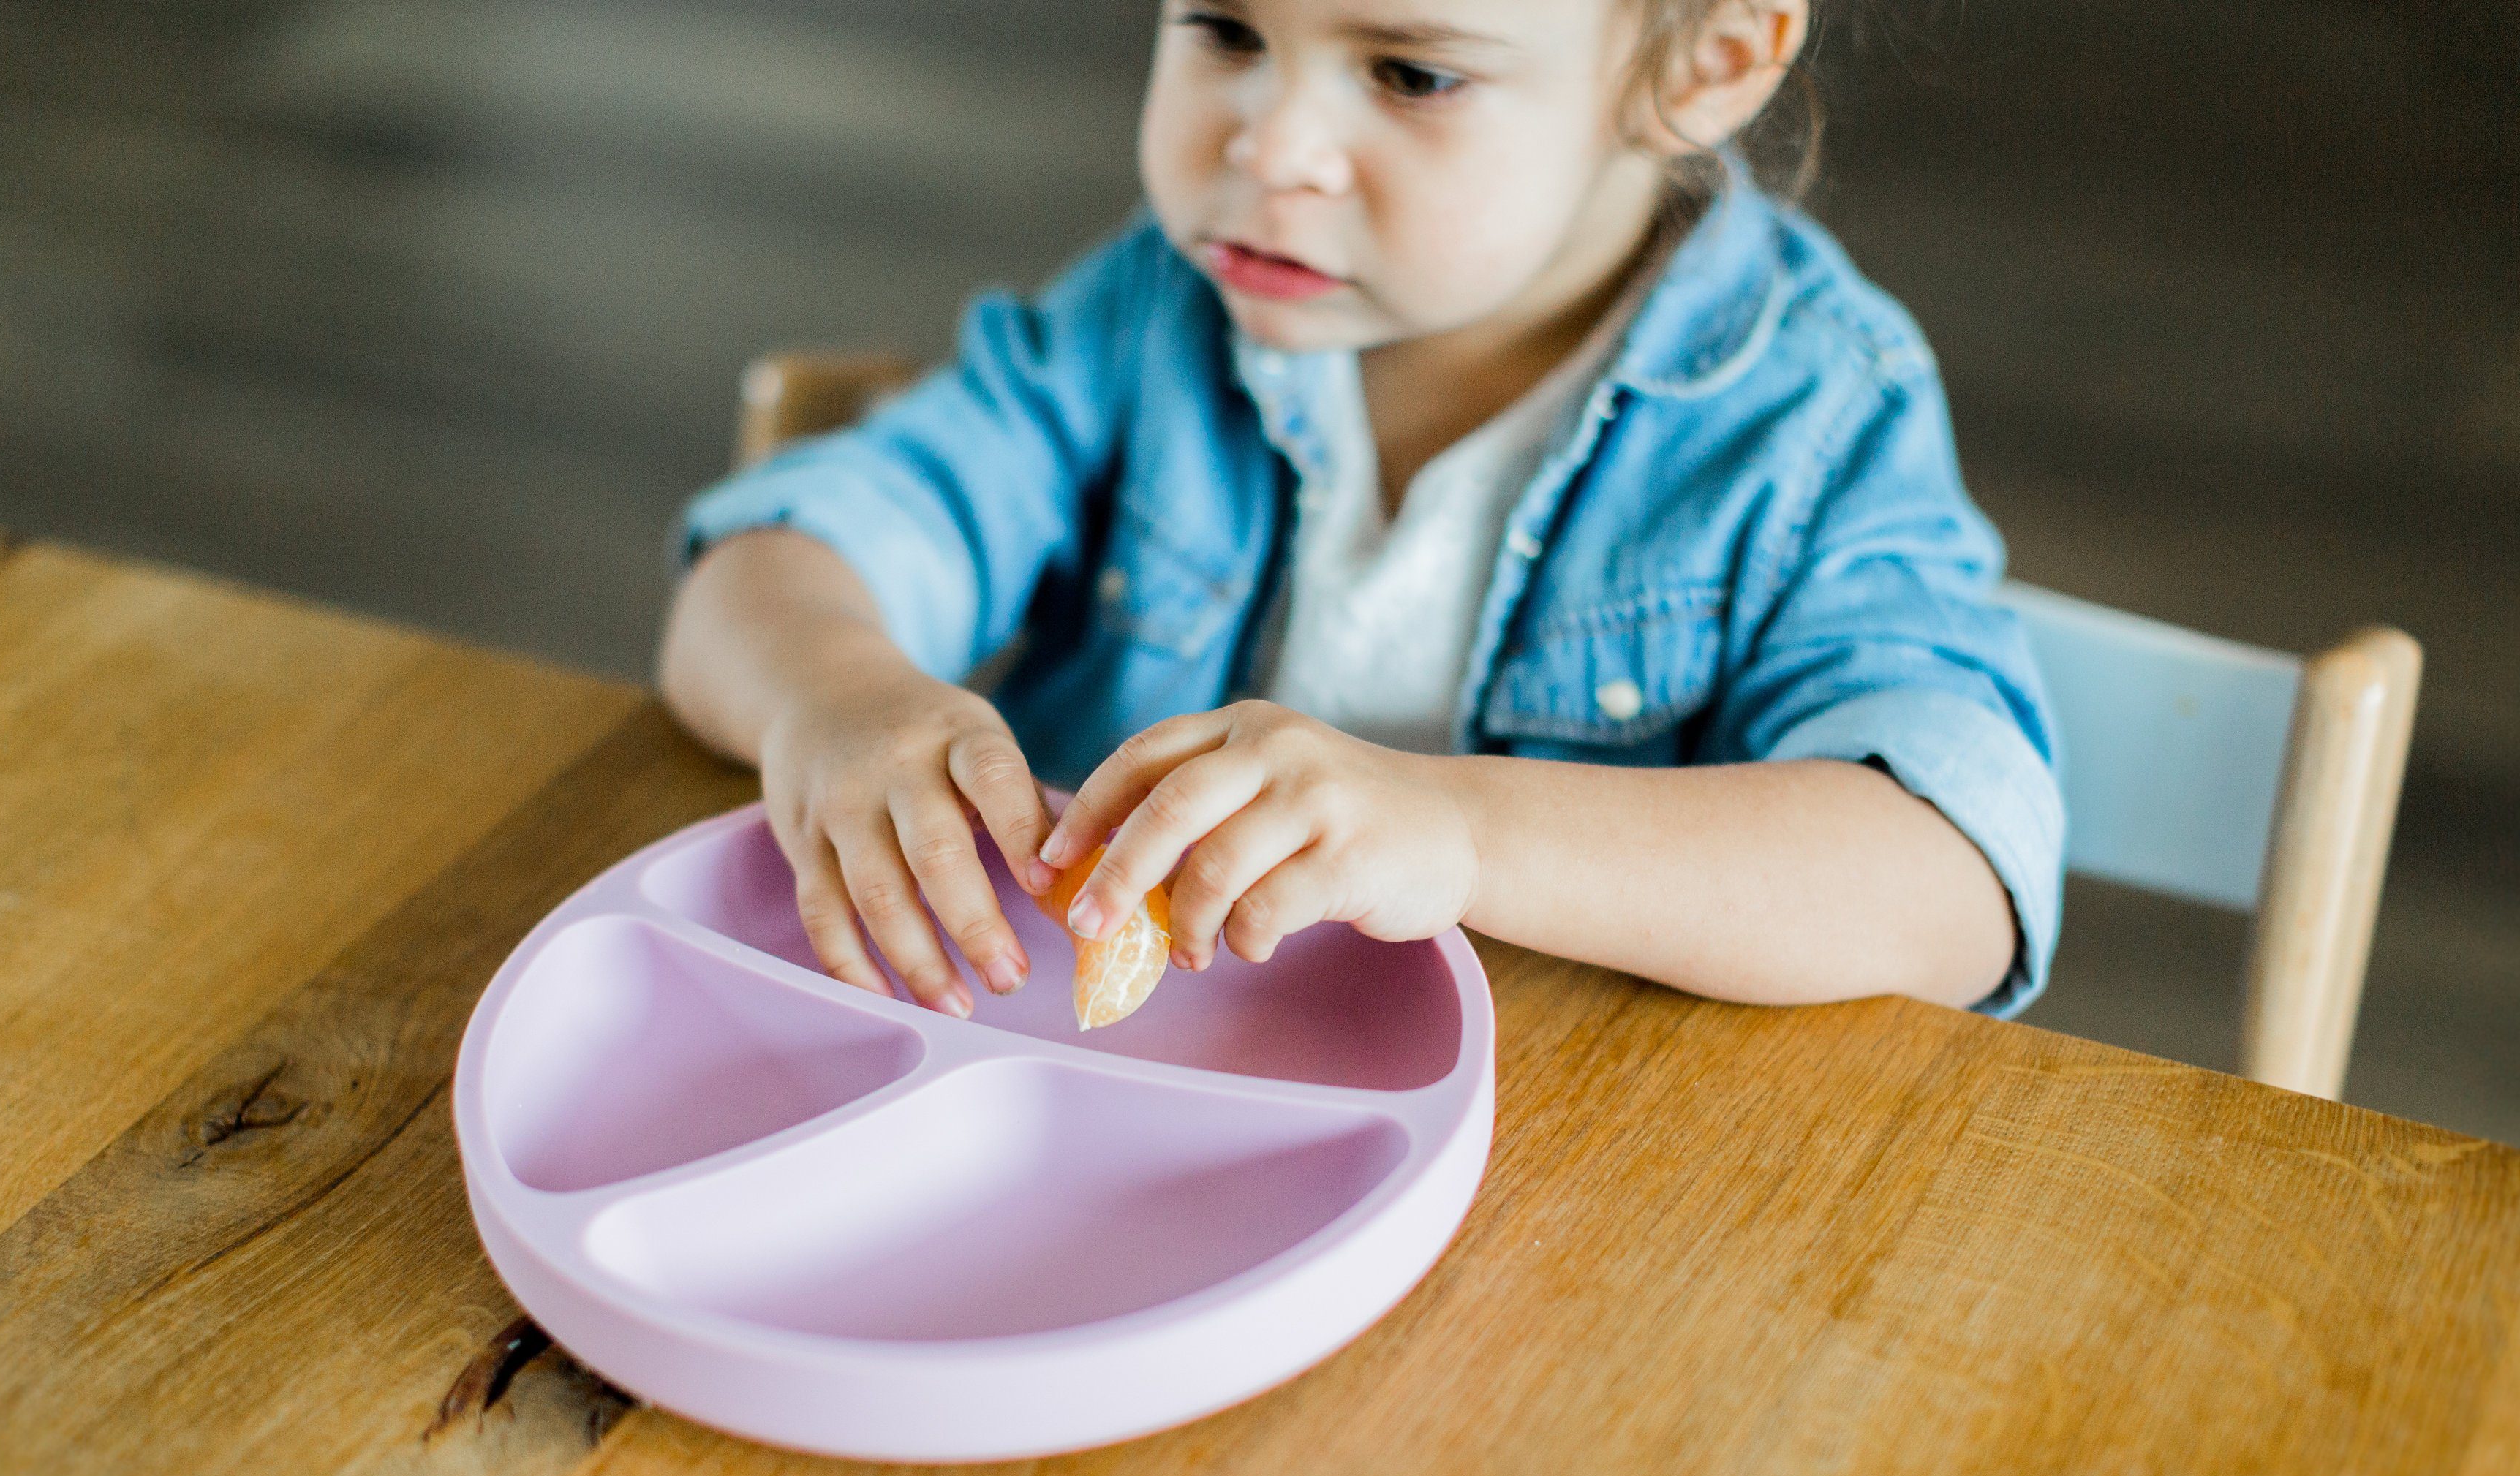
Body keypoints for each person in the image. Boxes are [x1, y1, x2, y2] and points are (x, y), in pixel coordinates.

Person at [658, 0, 2063, 1026]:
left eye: (1410, 71)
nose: (1271, 150)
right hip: (1109, 1102)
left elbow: (1952, 875)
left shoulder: (1810, 409)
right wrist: (830, 692)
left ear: (1708, 59)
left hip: (1568, 1181)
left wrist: (1453, 829)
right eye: (1224, 30)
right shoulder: (1151, 312)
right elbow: (761, 575)